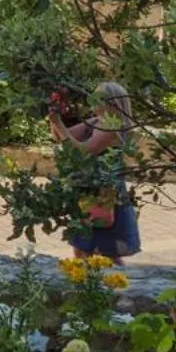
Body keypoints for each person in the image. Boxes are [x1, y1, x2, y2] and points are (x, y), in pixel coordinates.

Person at [50, 80, 141, 262]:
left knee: (105, 251)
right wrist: (54, 116)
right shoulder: (97, 121)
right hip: (91, 188)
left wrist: (58, 123)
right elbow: (61, 137)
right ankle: (94, 279)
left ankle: (111, 280)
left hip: (105, 192)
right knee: (83, 248)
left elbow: (83, 152)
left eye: (99, 97)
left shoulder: (112, 126)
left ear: (111, 102)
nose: (92, 100)